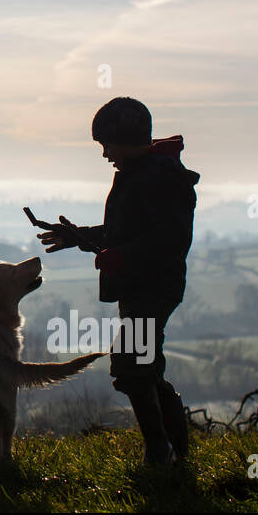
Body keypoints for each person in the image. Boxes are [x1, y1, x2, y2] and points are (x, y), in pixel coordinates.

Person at [36, 97, 200, 468]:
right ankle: (176, 453)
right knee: (144, 367)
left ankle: (160, 454)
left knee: (131, 365)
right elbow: (123, 232)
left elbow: (170, 240)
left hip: (153, 288)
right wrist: (77, 236)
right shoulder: (142, 172)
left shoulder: (161, 177)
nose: (105, 153)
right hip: (140, 286)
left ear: (126, 139)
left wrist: (122, 256)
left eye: (107, 144)